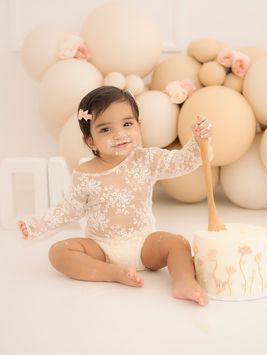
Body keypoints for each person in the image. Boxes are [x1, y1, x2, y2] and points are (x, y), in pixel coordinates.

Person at [17, 85, 213, 306]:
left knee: (178, 243)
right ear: (90, 141)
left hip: (144, 244)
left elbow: (182, 161)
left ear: (139, 126)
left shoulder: (147, 159)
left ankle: (184, 281)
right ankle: (112, 272)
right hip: (101, 248)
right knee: (58, 252)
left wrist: (198, 141)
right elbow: (69, 210)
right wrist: (37, 225)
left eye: (127, 124)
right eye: (105, 130)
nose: (119, 134)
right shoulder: (85, 174)